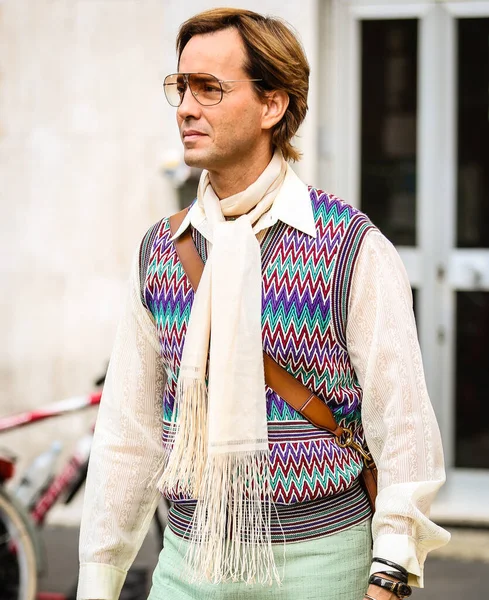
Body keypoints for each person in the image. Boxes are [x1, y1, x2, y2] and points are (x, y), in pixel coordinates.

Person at [77, 8, 450, 600]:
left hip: (322, 567)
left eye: (210, 88)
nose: (186, 108)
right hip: (187, 564)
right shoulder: (160, 250)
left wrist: (391, 575)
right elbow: (129, 435)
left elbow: (402, 426)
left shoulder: (349, 246)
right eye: (181, 86)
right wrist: (98, 581)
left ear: (272, 105)